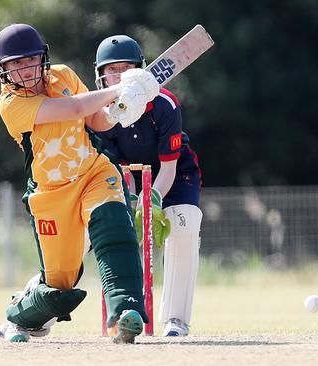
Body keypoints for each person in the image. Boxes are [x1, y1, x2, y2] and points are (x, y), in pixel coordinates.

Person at [0, 23, 160, 344]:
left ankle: (125, 312)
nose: (24, 70)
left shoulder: (63, 75)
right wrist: (122, 89)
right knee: (60, 288)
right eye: (14, 64)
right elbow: (75, 108)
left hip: (92, 171)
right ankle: (20, 317)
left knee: (113, 225)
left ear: (43, 58)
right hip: (50, 196)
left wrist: (119, 111)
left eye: (29, 60)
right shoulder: (11, 104)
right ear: (3, 69)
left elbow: (93, 119)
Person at [93, 35, 203, 337]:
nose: (119, 76)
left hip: (176, 176)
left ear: (141, 71)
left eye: (127, 68)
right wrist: (132, 201)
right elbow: (114, 167)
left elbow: (168, 167)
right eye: (112, 70)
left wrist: (150, 199)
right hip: (125, 179)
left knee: (185, 224)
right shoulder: (100, 114)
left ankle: (175, 320)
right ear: (101, 76)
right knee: (113, 233)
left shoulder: (164, 105)